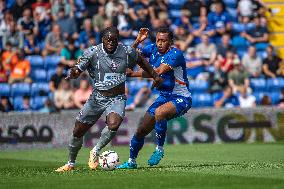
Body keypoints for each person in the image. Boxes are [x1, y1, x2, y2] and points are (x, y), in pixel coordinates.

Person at [55, 27, 162, 172]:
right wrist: (73, 72)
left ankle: (95, 150)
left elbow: (142, 61)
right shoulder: (92, 52)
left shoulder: (126, 51)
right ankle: (70, 163)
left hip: (117, 98)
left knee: (114, 124)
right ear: (102, 39)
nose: (111, 42)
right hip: (97, 97)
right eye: (108, 39)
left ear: (118, 40)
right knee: (78, 131)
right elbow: (77, 69)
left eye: (114, 39)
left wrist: (155, 76)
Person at [117, 28, 192, 169]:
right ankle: (131, 162)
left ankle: (159, 149)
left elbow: (157, 71)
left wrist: (133, 74)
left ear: (170, 42)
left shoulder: (175, 54)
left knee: (159, 112)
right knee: (141, 130)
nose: (159, 43)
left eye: (163, 41)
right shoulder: (151, 49)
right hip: (164, 97)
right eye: (158, 40)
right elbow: (131, 55)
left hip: (181, 97)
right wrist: (137, 41)